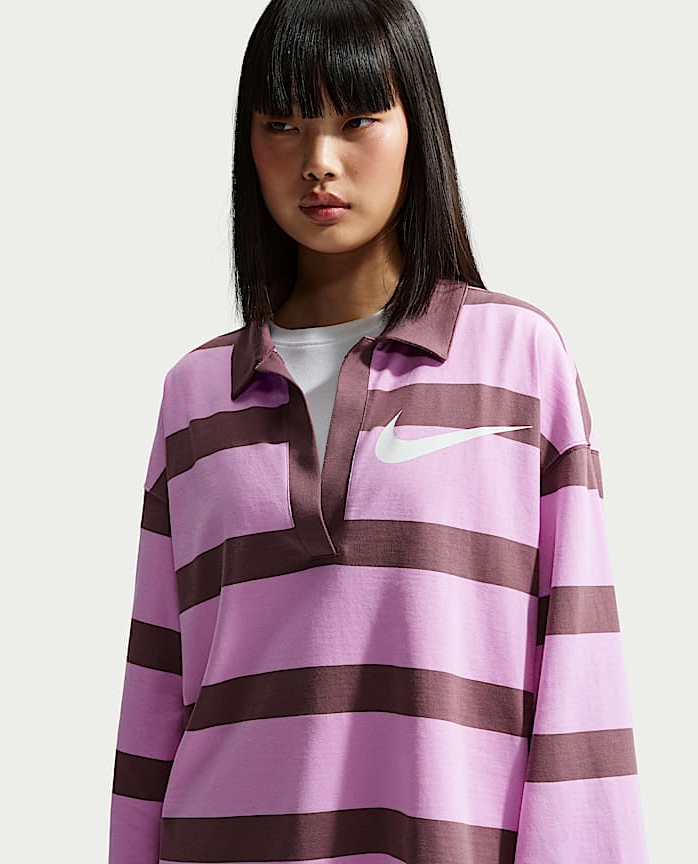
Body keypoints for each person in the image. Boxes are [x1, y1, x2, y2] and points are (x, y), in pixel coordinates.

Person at [108, 1, 650, 862]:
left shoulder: (519, 361)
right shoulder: (196, 395)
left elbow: (581, 676)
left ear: (416, 129)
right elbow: (152, 702)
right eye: (282, 125)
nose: (317, 161)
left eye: (357, 120)